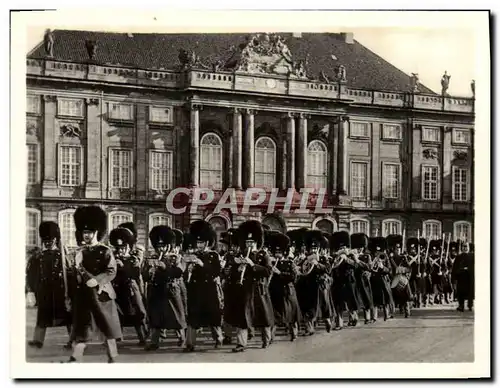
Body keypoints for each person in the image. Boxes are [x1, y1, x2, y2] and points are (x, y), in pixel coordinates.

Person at [67, 206, 122, 363]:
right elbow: (74, 275)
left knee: (107, 326)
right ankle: (76, 356)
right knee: (83, 327)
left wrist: (97, 280)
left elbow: (111, 271)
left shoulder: (105, 251)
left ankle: (113, 356)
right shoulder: (80, 252)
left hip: (101, 295)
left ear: (96, 232)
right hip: (84, 295)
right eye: (84, 233)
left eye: (89, 232)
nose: (86, 235)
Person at [226, 220, 274, 352]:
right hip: (245, 290)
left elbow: (268, 271)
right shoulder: (240, 255)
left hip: (259, 290)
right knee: (243, 317)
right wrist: (238, 269)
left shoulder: (264, 255)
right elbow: (232, 273)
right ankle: (241, 343)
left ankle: (266, 340)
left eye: (252, 242)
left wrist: (252, 265)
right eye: (247, 242)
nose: (249, 245)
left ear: (257, 242)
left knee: (263, 317)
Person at [26, 221, 73, 349]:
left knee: (68, 317)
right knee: (42, 317)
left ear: (56, 239)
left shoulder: (63, 256)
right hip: (44, 292)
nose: (48, 242)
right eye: (45, 239)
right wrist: (30, 291)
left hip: (60, 291)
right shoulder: (37, 257)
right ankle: (38, 340)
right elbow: (30, 274)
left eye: (50, 239)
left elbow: (70, 273)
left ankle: (73, 340)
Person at [143, 225, 187, 350]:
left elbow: (178, 273)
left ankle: (182, 338)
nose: (161, 249)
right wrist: (149, 271)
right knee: (155, 317)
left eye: (163, 246)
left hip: (170, 290)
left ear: (169, 246)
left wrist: (164, 268)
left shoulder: (176, 258)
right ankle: (154, 342)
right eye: (158, 246)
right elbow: (144, 275)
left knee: (176, 316)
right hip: (156, 290)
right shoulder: (150, 258)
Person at [184, 220, 224, 352]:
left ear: (207, 242)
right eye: (198, 242)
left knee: (213, 316)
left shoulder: (213, 255)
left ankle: (218, 339)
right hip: (195, 290)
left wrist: (202, 264)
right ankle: (190, 343)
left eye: (201, 242)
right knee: (193, 317)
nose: (199, 245)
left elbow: (216, 272)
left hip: (209, 290)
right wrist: (188, 270)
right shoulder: (193, 255)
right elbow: (186, 275)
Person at [109, 227, 148, 345]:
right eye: (118, 248)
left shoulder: (133, 259)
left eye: (123, 248)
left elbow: (135, 274)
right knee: (117, 315)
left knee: (136, 314)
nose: (120, 251)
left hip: (130, 290)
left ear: (128, 247)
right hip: (117, 290)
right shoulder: (112, 259)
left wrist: (122, 267)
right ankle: (117, 338)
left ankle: (142, 337)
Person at [298, 230, 334, 335]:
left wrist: (317, 264)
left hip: (320, 286)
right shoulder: (305, 259)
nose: (314, 250)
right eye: (312, 248)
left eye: (315, 248)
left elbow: (328, 270)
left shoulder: (324, 259)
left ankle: (327, 320)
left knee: (324, 306)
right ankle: (309, 328)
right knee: (308, 307)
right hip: (308, 286)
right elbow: (301, 269)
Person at [268, 231, 302, 342]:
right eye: (276, 252)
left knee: (292, 315)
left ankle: (294, 334)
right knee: (275, 315)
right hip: (275, 292)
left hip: (288, 291)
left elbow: (293, 277)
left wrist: (279, 273)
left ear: (284, 253)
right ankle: (270, 338)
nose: (277, 254)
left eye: (279, 252)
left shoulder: (289, 263)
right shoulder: (271, 263)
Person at [330, 231, 363, 328]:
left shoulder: (351, 256)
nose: (343, 249)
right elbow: (332, 267)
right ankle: (338, 323)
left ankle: (354, 318)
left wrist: (347, 259)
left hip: (349, 281)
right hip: (338, 282)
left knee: (351, 303)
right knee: (338, 304)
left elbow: (356, 266)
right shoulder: (334, 257)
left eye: (345, 247)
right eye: (341, 247)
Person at [351, 233, 375, 324]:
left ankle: (367, 318)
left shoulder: (366, 256)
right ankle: (354, 318)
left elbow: (369, 267)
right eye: (358, 247)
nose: (360, 249)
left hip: (364, 280)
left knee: (366, 299)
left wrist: (358, 261)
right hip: (354, 279)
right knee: (354, 299)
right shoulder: (351, 256)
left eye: (361, 247)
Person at [387, 234, 412, 318]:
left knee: (405, 296)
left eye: (398, 248)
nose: (396, 250)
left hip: (403, 278)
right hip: (392, 278)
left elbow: (409, 268)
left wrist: (404, 272)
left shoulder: (403, 258)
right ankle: (392, 313)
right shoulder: (389, 259)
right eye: (395, 248)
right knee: (392, 297)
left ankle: (407, 311)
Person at [368, 237, 393, 321]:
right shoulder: (370, 256)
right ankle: (374, 317)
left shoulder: (385, 256)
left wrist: (382, 267)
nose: (377, 252)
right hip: (373, 280)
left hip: (383, 280)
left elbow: (389, 270)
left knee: (385, 299)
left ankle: (387, 314)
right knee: (374, 299)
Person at [452, 241, 474, 312]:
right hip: (461, 277)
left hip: (469, 277)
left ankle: (470, 305)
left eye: (466, 246)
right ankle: (461, 305)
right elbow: (454, 268)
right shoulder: (458, 257)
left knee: (470, 291)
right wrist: (454, 279)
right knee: (460, 292)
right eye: (463, 246)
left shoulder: (472, 256)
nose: (465, 248)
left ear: (469, 247)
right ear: (461, 248)